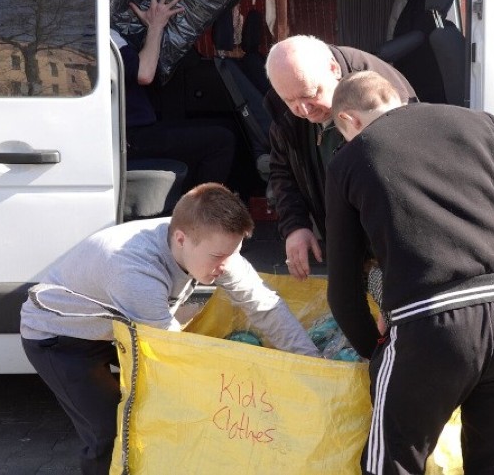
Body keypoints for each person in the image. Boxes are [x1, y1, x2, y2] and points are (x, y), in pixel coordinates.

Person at [325, 71, 494, 474]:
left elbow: (343, 290)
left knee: (393, 463)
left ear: (349, 120)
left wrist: (375, 348)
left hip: (430, 324)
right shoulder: (481, 124)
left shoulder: (349, 161)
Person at [19, 183, 320, 475]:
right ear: (180, 239)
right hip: (58, 337)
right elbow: (174, 357)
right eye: (218, 257)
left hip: (113, 325)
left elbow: (264, 306)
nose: (226, 266)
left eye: (234, 252)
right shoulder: (134, 270)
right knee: (111, 430)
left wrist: (313, 366)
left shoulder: (210, 242)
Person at [263, 35, 416, 280]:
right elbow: (283, 169)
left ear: (334, 69)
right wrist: (294, 226)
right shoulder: (290, 89)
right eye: (289, 100)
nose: (302, 110)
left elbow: (407, 186)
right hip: (341, 240)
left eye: (310, 94)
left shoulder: (383, 96)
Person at [112, 0, 238, 191]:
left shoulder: (99, 34)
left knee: (226, 128)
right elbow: (144, 73)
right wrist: (156, 25)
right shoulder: (103, 35)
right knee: (221, 141)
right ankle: (199, 216)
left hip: (131, 131)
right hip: (128, 137)